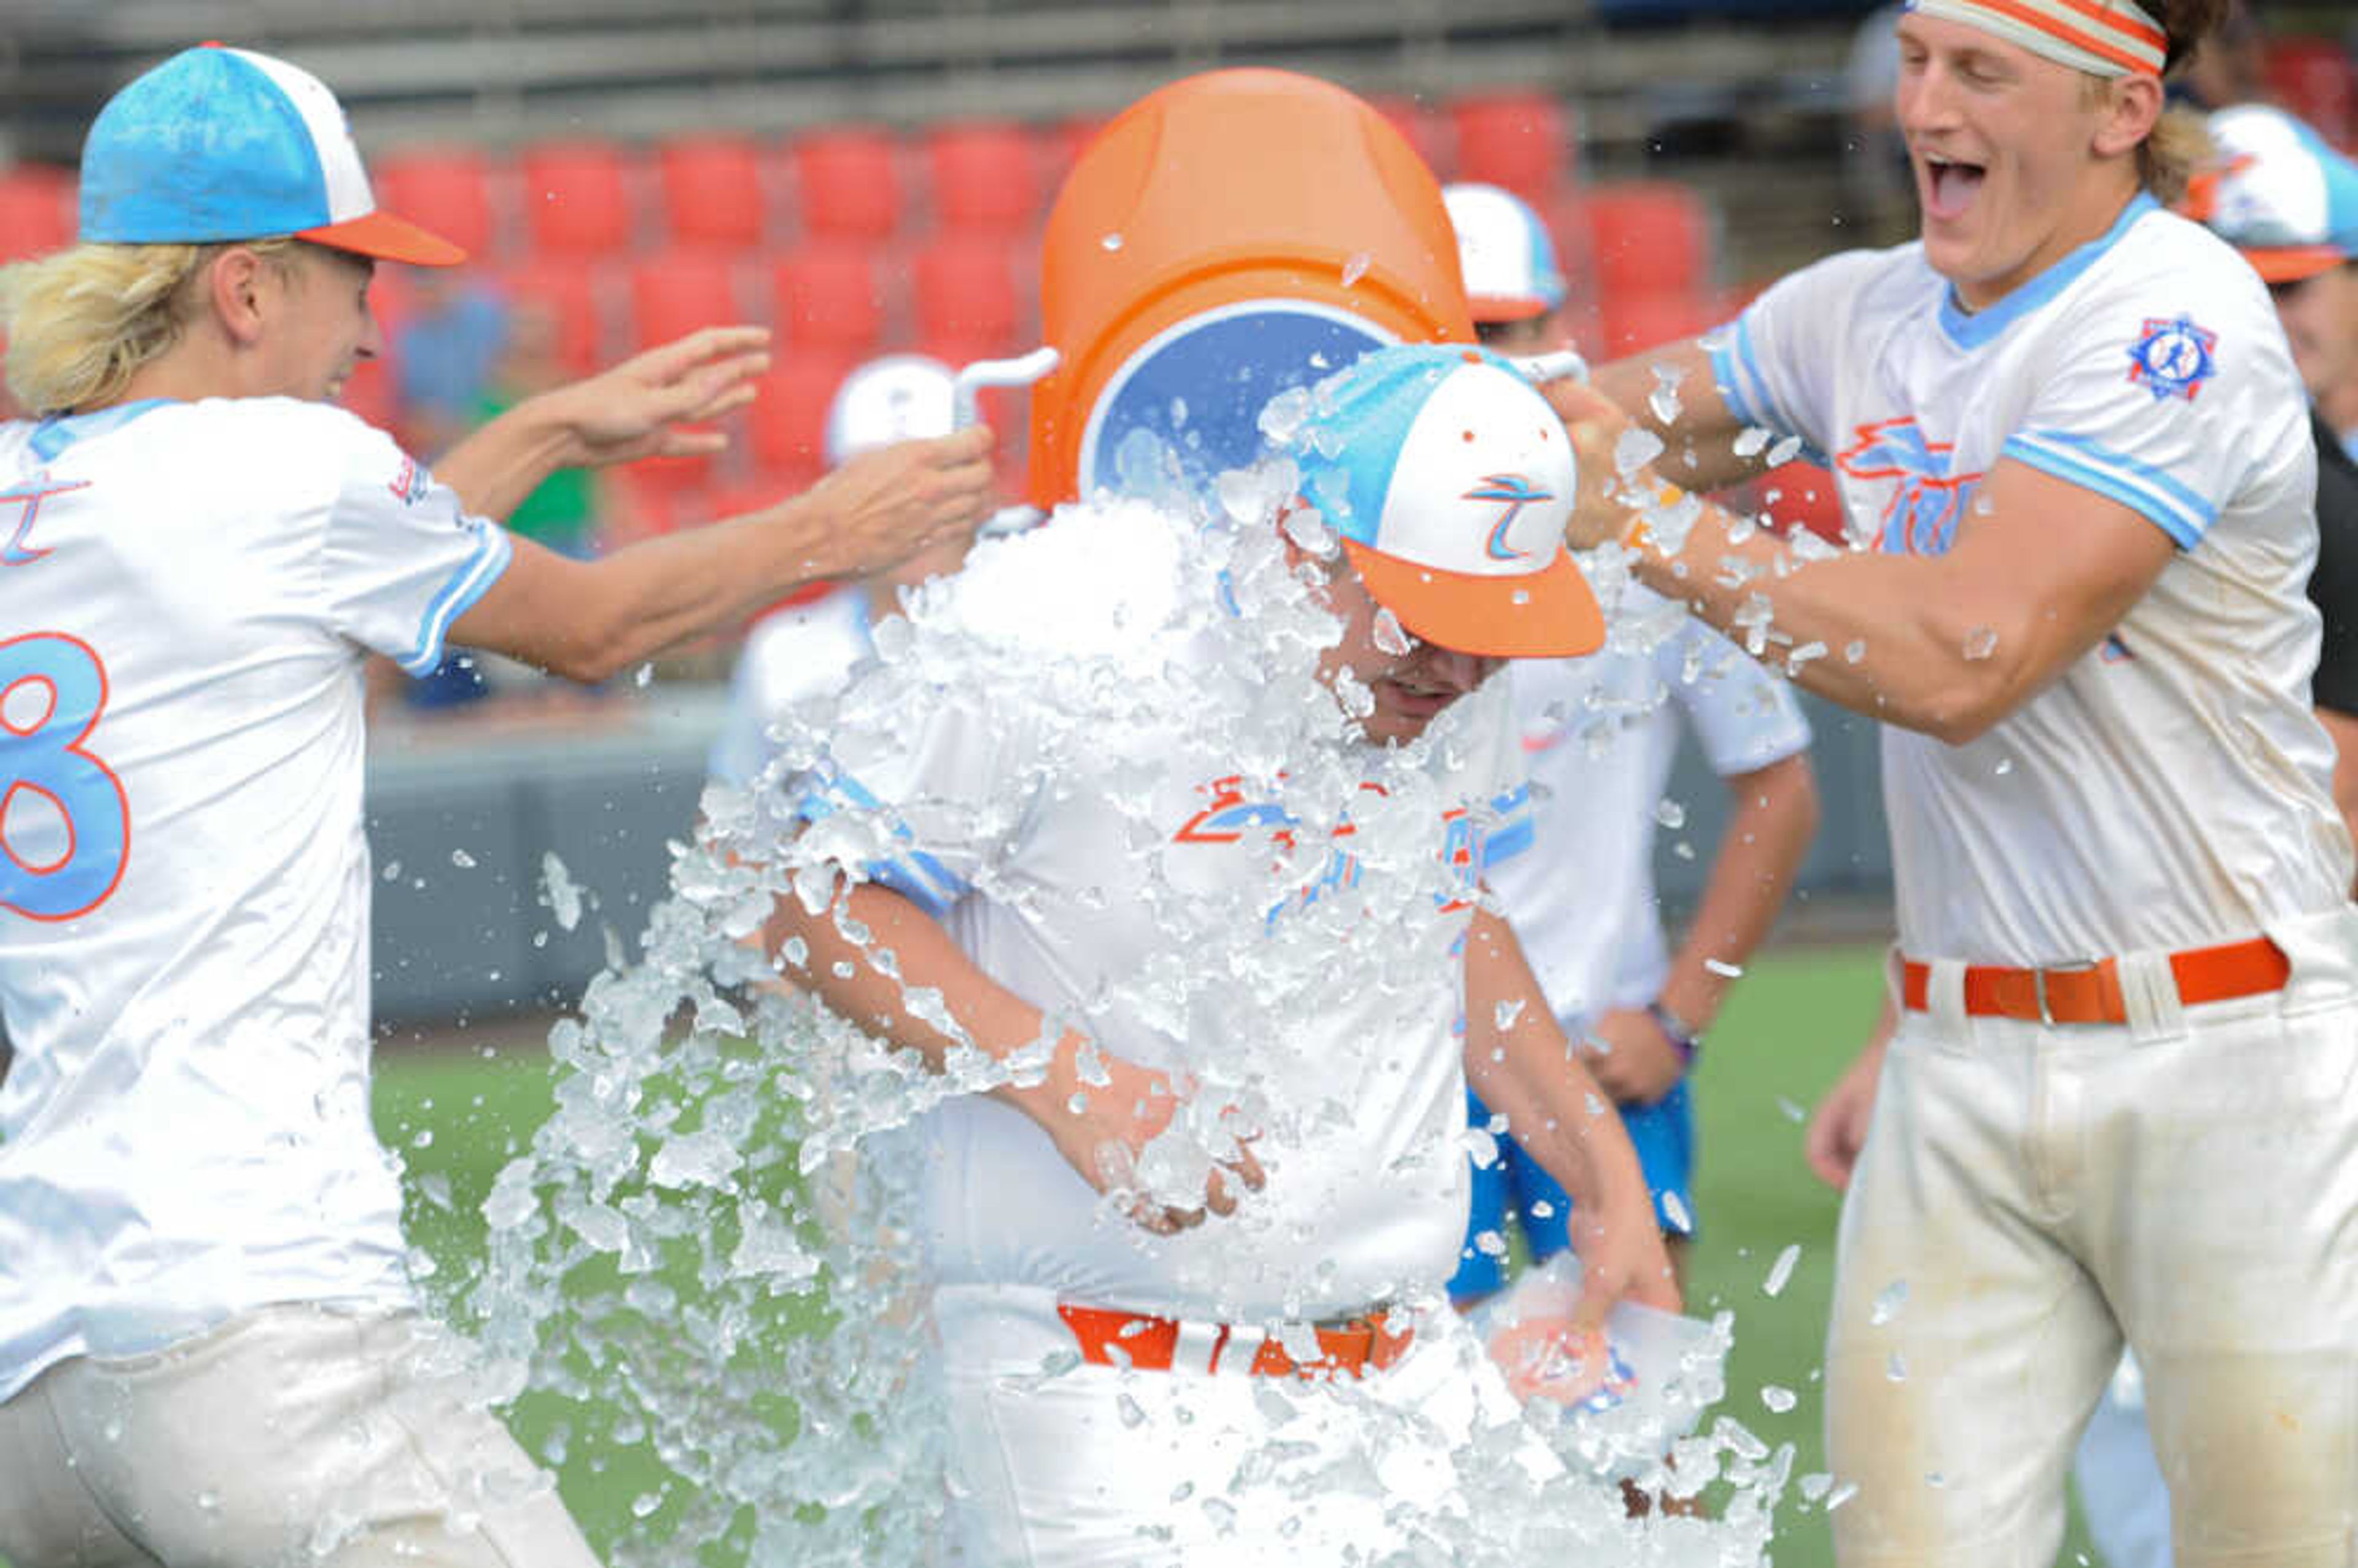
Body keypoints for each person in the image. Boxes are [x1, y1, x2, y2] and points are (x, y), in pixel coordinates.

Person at [0, 43, 992, 1568]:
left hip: (37, 1361)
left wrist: (539, 435)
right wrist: (829, 522)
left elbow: (296, 588)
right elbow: (589, 628)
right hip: (249, 1323)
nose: (374, 329)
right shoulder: (285, 469)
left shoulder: (35, 488)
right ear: (246, 291)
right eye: (351, 280)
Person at [1546, 0, 2358, 1560]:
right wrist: (1427, 432)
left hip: (2224, 1050)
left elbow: (1960, 657)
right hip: (1957, 1047)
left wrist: (1630, 517)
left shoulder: (2167, 315)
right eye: (1914, 58)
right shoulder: (1853, 310)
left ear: (2121, 109)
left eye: (1978, 69)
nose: (1920, 102)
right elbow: (1590, 426)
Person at [763, 343, 1679, 1564]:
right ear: (1305, 540)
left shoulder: (1440, 684)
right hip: (1095, 1373)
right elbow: (807, 894)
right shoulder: (1059, 623)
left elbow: (1442, 907)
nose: (1459, 670)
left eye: (1493, 631)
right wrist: (1070, 1081)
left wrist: (1602, 1175)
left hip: (1402, 1361)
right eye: (1431, 621)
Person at [2063, 99, 2358, 1568]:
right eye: (2233, 282)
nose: (2263, 315)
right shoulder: (2140, 470)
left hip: (2270, 984)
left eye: (2292, 280)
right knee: (2149, 1402)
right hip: (2193, 988)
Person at [1439, 185, 1822, 1306]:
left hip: (1605, 1051)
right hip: (1408, 1064)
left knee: (1641, 1448)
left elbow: (1783, 789)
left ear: (1561, 336)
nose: (1487, 363)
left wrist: (1677, 1019)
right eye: (1457, 334)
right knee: (1418, 1439)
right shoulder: (1353, 543)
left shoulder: (1649, 531)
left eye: (1506, 329)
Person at [709, 353, 963, 795]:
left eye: (938, 475)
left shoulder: (1040, 638)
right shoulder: (782, 652)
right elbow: (727, 840)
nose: (910, 505)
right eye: (878, 487)